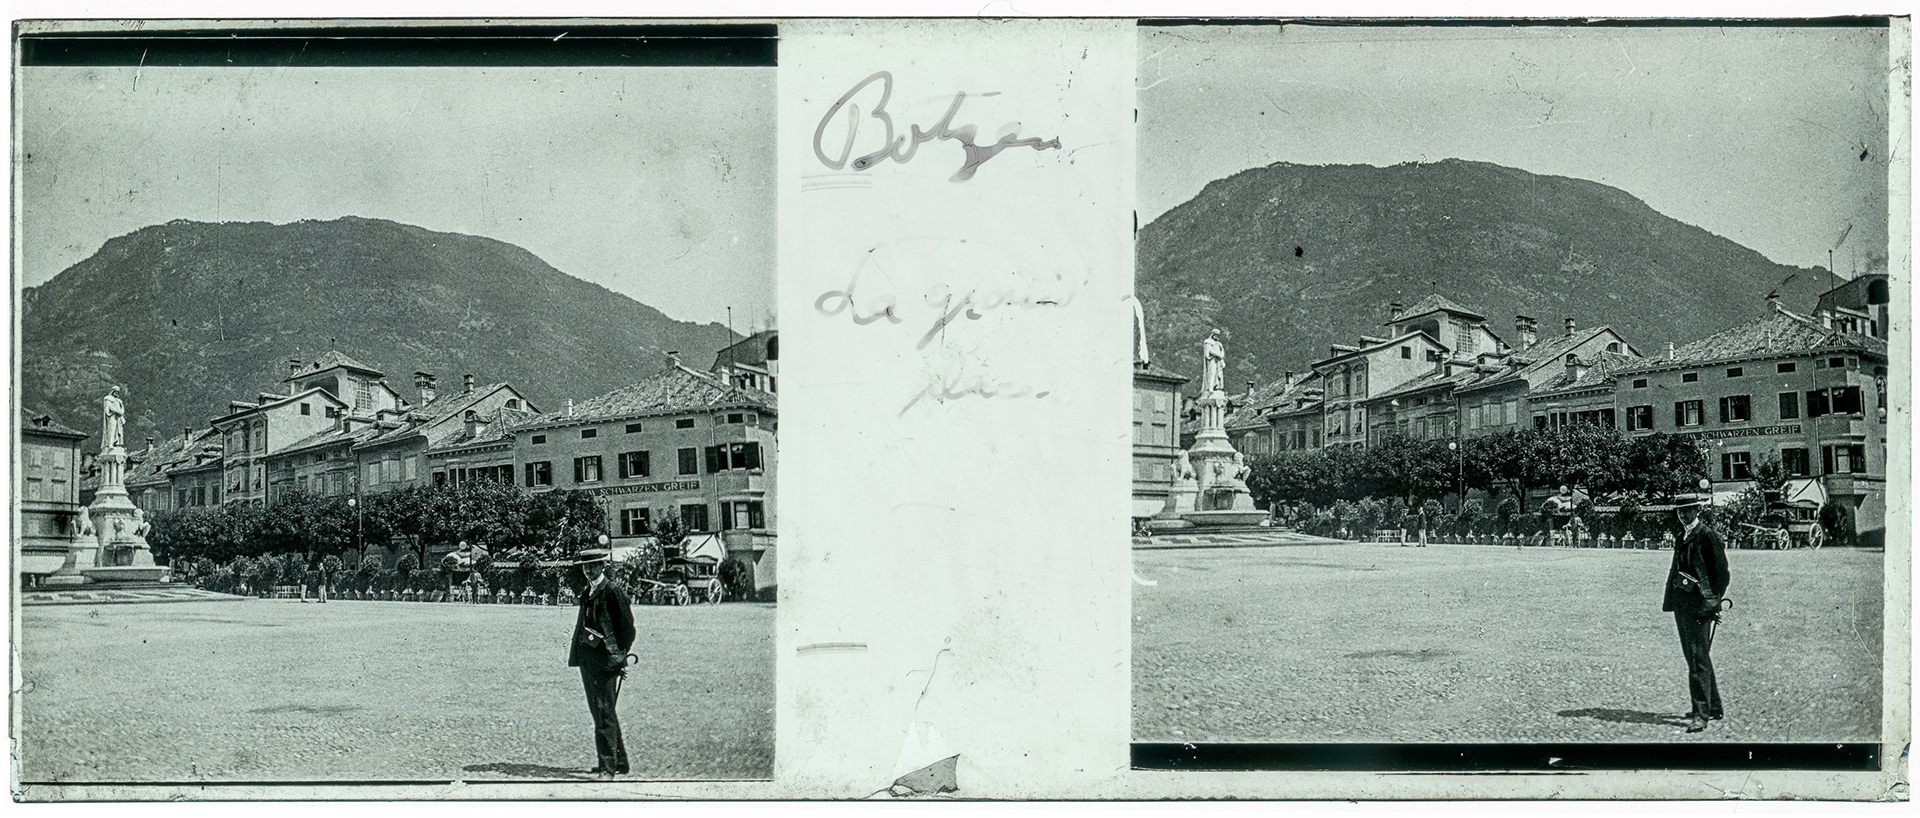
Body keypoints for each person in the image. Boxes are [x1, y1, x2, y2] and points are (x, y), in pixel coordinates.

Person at [1662, 495, 1730, 733]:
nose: (1683, 515)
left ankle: (1701, 714)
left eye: (1687, 511)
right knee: (1696, 657)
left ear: (1696, 510)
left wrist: (1714, 601)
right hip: (1682, 605)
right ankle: (1713, 707)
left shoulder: (1707, 536)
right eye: (1680, 511)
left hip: (1700, 607)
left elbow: (1722, 573)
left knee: (1697, 658)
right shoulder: (1682, 536)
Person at [568, 548, 636, 778]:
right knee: (601, 712)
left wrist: (621, 655)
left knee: (604, 712)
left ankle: (608, 768)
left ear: (603, 566)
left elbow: (627, 628)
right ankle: (619, 761)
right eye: (586, 567)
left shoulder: (613, 591)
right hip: (589, 661)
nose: (589, 570)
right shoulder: (588, 592)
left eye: (593, 566)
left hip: (607, 662)